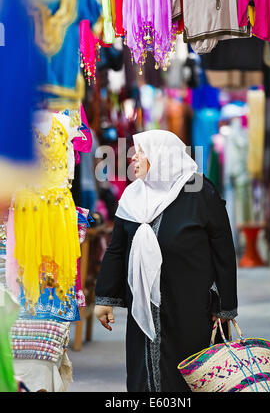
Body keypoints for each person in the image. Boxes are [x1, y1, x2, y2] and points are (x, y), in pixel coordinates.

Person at [94, 130, 238, 392]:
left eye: (141, 151)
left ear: (162, 156)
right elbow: (117, 249)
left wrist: (225, 305)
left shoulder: (201, 192)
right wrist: (104, 298)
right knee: (145, 376)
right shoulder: (132, 197)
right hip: (145, 308)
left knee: (191, 377)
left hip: (193, 308)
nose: (133, 157)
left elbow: (224, 251)